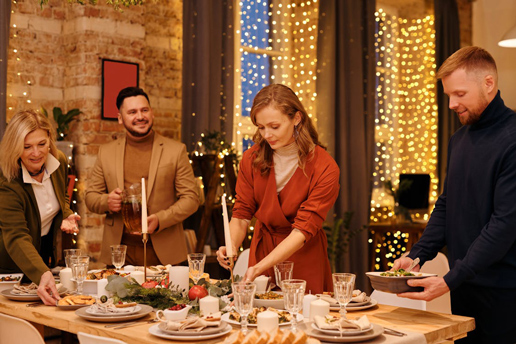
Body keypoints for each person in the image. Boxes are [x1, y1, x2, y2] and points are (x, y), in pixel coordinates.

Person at [393, 46, 516, 343]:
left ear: (488, 83)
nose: (451, 104)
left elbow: (504, 225)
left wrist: (450, 279)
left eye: (460, 94)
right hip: (465, 289)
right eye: (449, 95)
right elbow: (447, 206)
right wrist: (417, 254)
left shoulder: (512, 139)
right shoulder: (458, 139)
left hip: (505, 293)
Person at [216, 84, 340, 293]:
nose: (267, 135)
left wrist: (259, 267)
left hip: (303, 255)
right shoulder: (251, 158)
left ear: (297, 118)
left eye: (274, 126)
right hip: (262, 252)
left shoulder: (325, 167)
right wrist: (232, 246)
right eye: (261, 127)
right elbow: (241, 214)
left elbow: (302, 231)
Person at [85, 87, 199, 267]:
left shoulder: (176, 150)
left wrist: (160, 219)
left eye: (144, 110)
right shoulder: (106, 152)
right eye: (132, 112)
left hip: (165, 254)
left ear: (151, 113)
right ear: (121, 118)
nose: (140, 116)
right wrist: (107, 201)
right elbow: (90, 197)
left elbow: (192, 199)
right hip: (119, 253)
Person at [0, 110, 80, 306]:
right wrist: (42, 272)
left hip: (43, 261)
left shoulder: (59, 161)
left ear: (49, 139)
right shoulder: (7, 181)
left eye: (41, 144)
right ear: (15, 147)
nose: (36, 153)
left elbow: (62, 195)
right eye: (27, 147)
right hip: (10, 268)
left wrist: (66, 213)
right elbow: (16, 236)